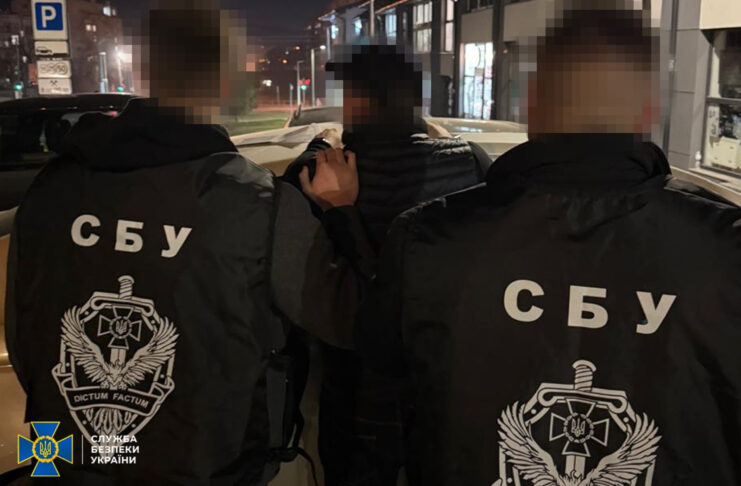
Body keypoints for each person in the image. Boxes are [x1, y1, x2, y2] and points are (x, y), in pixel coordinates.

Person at [357, 2, 741, 485]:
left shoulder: (426, 241)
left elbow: (371, 422)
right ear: (648, 108)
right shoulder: (725, 251)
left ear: (532, 103)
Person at [4, 1, 360, 483]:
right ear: (225, 80)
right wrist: (339, 212)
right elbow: (348, 319)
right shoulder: (258, 204)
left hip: (69, 462)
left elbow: (24, 332)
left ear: (144, 69)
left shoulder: (51, 189)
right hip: (213, 470)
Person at [285, 45, 493, 485]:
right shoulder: (470, 165)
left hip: (355, 402)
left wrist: (322, 148)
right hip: (442, 398)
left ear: (357, 101)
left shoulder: (315, 175)